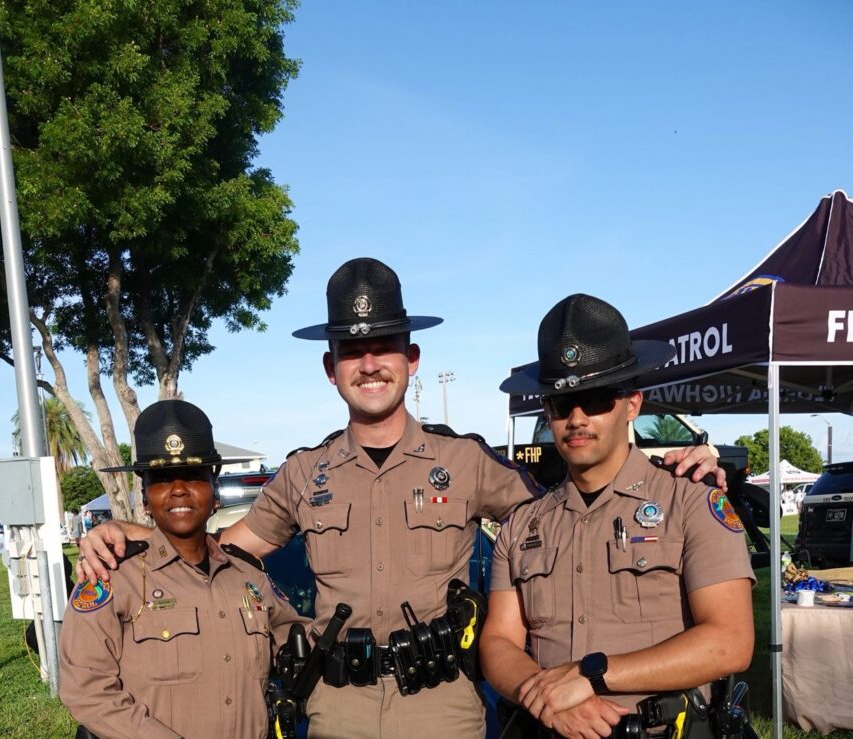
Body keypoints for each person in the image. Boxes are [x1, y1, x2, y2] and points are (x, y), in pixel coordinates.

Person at [76, 259, 723, 739]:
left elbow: (572, 505)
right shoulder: (305, 474)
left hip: (443, 707)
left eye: (383, 344)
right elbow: (218, 549)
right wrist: (125, 532)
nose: (369, 361)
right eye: (351, 349)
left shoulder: (466, 462)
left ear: (413, 358)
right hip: (338, 712)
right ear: (331, 369)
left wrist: (674, 473)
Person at [481, 294, 755, 739]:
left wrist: (591, 676)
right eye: (559, 403)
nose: (576, 418)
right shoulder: (521, 526)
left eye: (595, 398)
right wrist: (548, 698)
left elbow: (730, 642)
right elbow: (498, 643)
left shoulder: (690, 503)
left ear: (632, 404)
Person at [59, 400, 308, 739]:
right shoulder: (113, 577)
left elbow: (299, 642)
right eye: (161, 478)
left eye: (193, 475)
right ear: (145, 497)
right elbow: (87, 691)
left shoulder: (249, 576)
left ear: (213, 489)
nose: (178, 489)